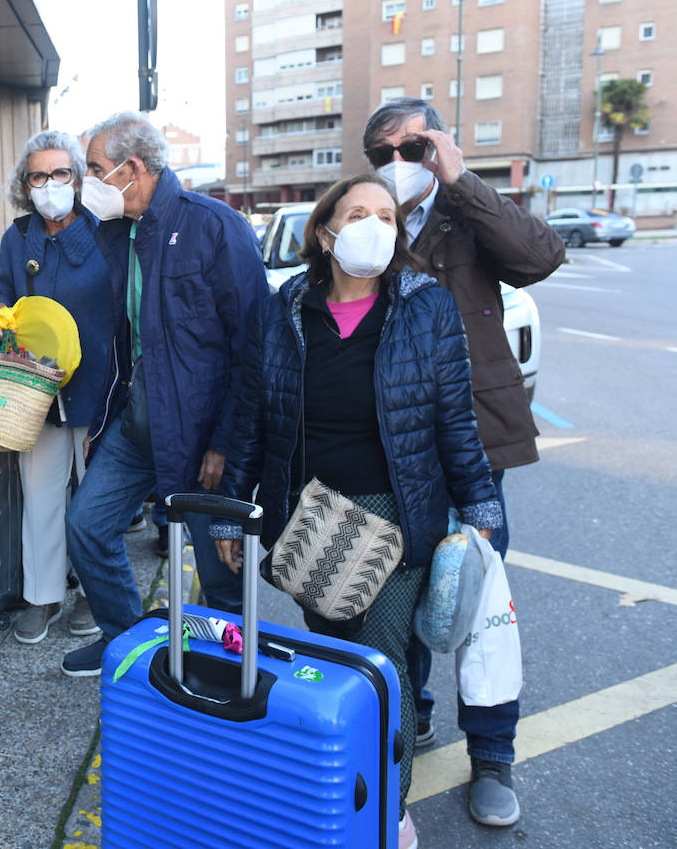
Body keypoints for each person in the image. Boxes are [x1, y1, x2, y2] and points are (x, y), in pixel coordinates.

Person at [210, 173, 502, 849]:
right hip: (308, 518)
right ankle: (339, 782)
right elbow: (251, 418)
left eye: (386, 216)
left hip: (397, 513)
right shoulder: (284, 308)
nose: (374, 225)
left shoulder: (426, 308)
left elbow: (455, 419)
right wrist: (232, 514)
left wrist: (478, 503)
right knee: (337, 655)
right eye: (357, 213)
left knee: (380, 660)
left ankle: (384, 812)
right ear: (325, 231)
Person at [363, 97, 564, 827]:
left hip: (474, 446)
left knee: (478, 603)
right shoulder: (369, 228)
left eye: (413, 148)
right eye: (382, 152)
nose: (397, 165)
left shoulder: (465, 215)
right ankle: (411, 714)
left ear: (439, 147)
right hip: (391, 449)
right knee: (402, 589)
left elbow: (539, 256)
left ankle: (493, 755)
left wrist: (461, 181)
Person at [59, 112, 268, 678]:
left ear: (132, 168)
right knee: (86, 527)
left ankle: (223, 677)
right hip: (137, 426)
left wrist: (226, 440)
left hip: (202, 439)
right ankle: (128, 642)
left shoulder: (215, 226)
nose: (88, 183)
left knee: (219, 570)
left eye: (96, 170)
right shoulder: (116, 231)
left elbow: (255, 345)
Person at [0, 130, 114, 645]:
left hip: (96, 386)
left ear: (78, 180)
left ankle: (92, 592)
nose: (50, 184)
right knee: (39, 495)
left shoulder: (106, 232)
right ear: (26, 184)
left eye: (61, 173)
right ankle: (41, 596)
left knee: (95, 500)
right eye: (39, 175)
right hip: (34, 389)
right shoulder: (18, 237)